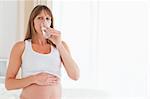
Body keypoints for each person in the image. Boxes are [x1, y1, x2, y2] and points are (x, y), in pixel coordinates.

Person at [5, 5, 80, 99]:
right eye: (40, 18)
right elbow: (9, 84)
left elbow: (75, 75)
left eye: (48, 18)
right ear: (32, 22)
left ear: (51, 23)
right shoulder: (21, 46)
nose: (44, 22)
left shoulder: (61, 46)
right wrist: (34, 79)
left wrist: (59, 44)